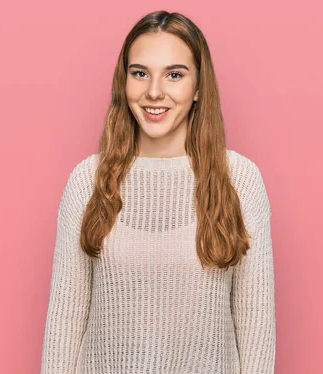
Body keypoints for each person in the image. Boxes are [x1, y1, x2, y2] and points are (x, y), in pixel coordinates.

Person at [40, 10, 276, 374]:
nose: (154, 91)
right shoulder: (87, 181)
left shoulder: (239, 180)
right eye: (140, 73)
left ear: (198, 88)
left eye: (174, 75)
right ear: (125, 82)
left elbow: (256, 334)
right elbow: (64, 327)